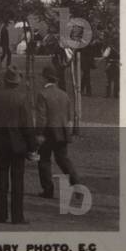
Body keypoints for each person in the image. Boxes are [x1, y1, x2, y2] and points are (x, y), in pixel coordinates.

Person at [0, 66, 36, 224]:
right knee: (18, 181)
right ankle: (17, 216)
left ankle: (1, 214)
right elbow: (27, 125)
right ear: (17, 82)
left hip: (0, 141)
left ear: (5, 81)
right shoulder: (22, 98)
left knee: (1, 179)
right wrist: (32, 146)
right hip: (18, 143)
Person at [36, 65, 81, 198]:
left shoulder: (42, 94)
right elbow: (68, 116)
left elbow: (41, 117)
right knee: (63, 160)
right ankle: (77, 186)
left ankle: (48, 189)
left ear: (45, 78)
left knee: (44, 160)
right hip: (62, 131)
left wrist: (39, 133)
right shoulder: (64, 94)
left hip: (48, 132)